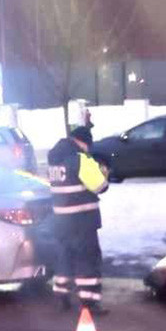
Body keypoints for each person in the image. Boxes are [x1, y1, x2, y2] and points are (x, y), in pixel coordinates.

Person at [47, 126, 110, 316]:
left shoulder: (54, 160)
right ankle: (89, 302)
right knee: (88, 260)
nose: (88, 149)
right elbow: (100, 186)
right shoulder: (81, 159)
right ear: (82, 142)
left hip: (61, 220)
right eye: (87, 145)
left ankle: (62, 297)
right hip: (82, 221)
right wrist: (104, 173)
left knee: (64, 258)